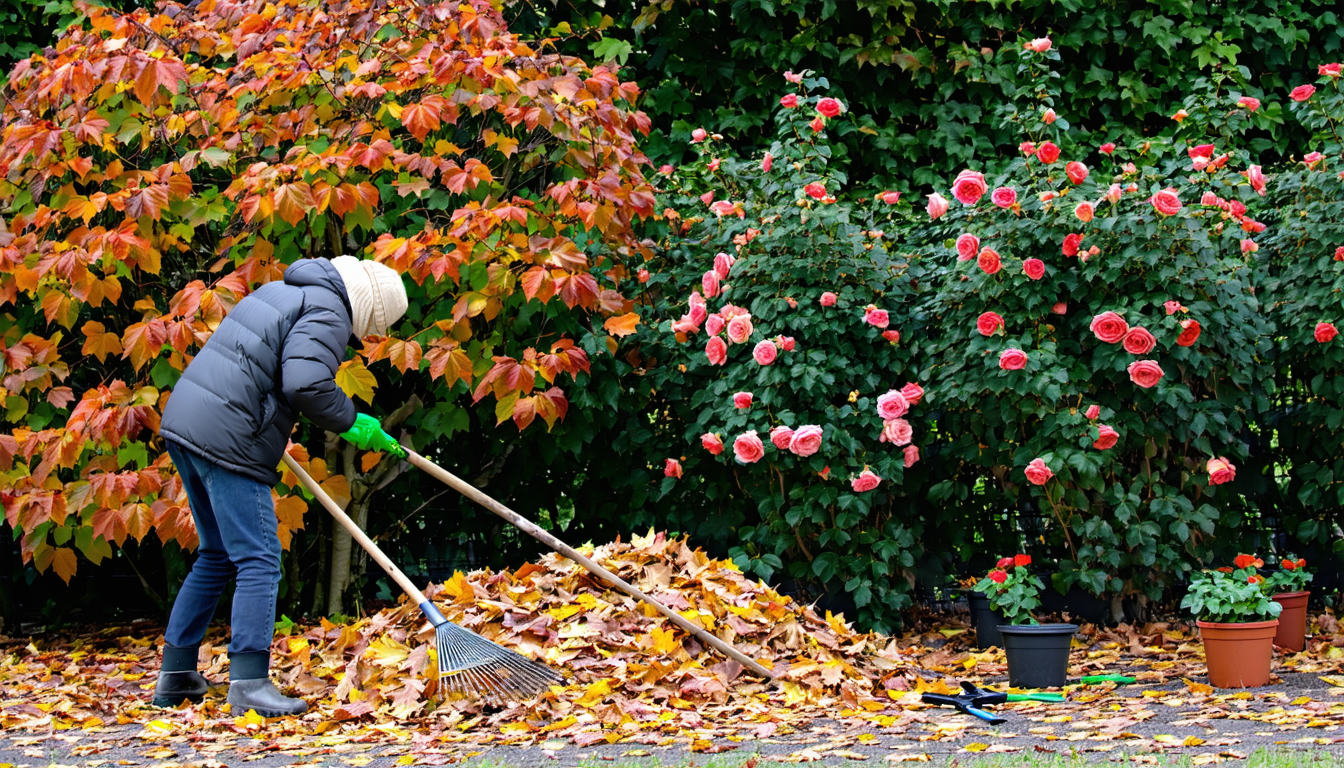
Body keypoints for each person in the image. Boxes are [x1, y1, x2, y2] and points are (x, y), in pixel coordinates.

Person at [152, 255, 409, 717]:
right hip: (229, 436)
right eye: (373, 326)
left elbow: (258, 368)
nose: (364, 336)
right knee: (259, 557)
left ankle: (176, 674)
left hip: (187, 421)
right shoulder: (329, 310)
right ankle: (249, 683)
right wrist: (352, 422)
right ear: (367, 310)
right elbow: (306, 383)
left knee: (216, 554)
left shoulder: (282, 290)